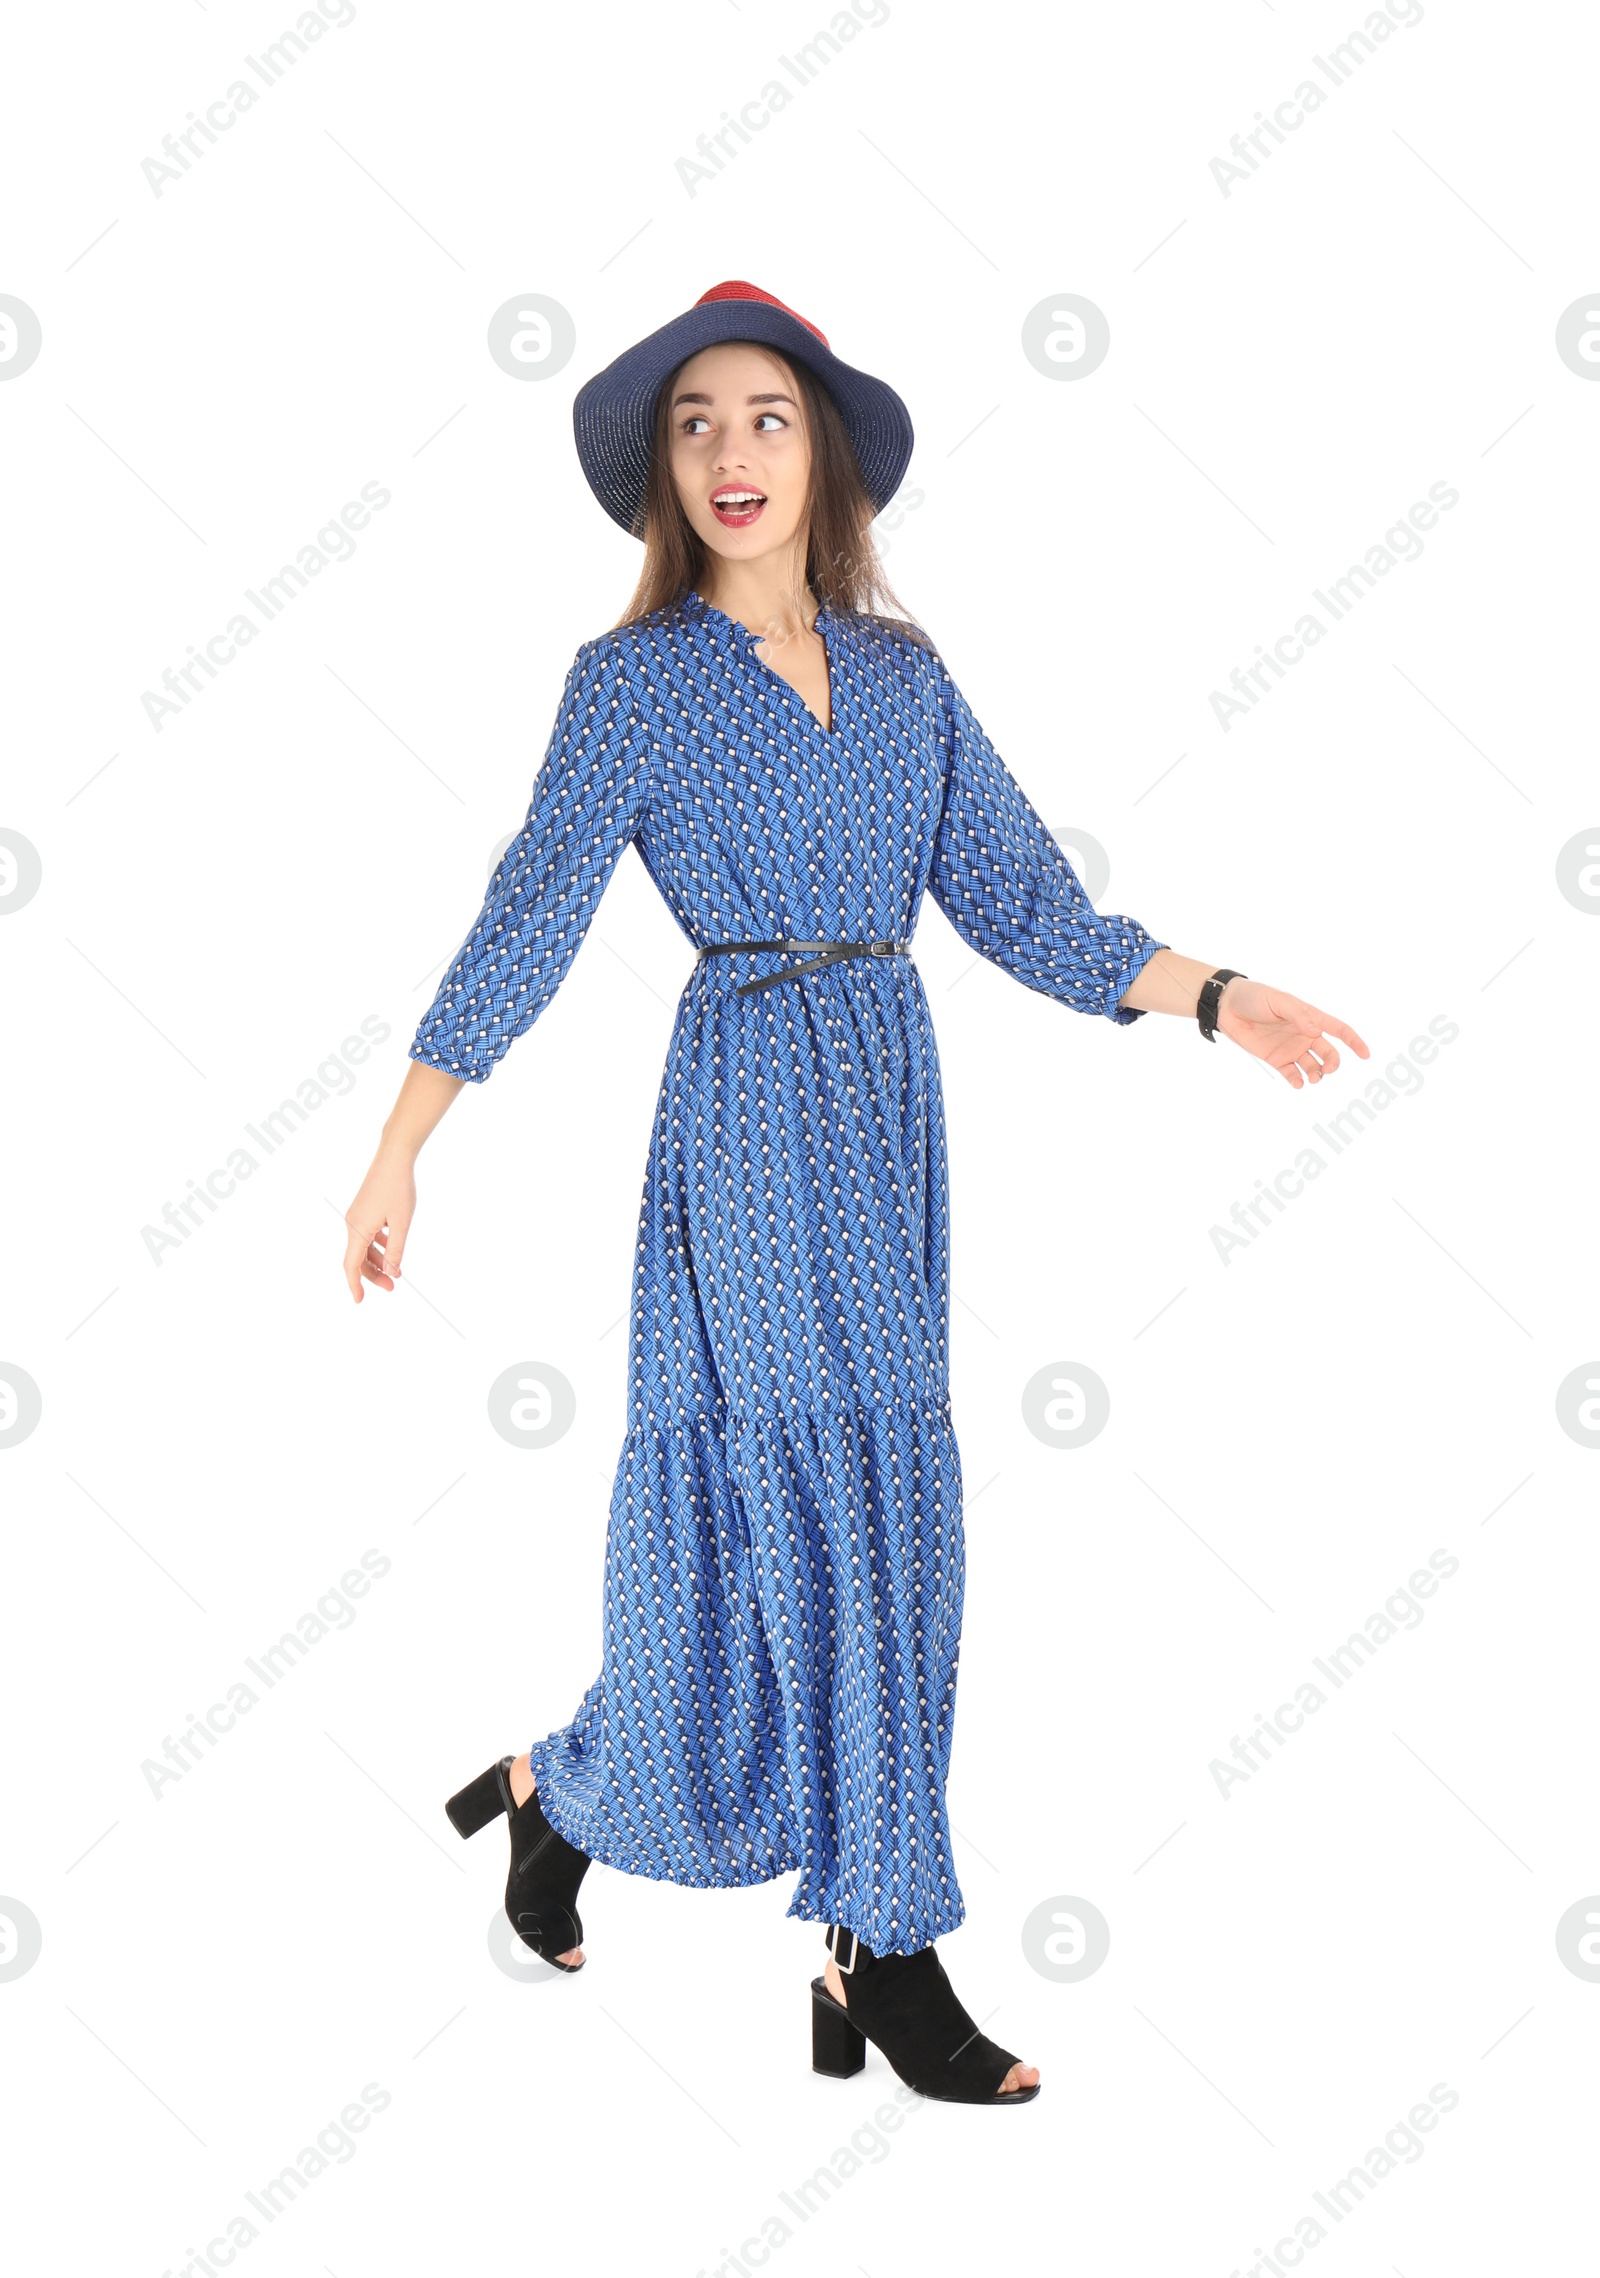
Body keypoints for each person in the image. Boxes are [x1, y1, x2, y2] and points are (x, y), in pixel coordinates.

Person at [342, 280, 1368, 2107]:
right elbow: (534, 910)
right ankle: (885, 1940)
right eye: (695, 424)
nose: (733, 454)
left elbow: (1033, 909)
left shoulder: (907, 678)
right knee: (834, 1502)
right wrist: (405, 1140)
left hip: (887, 1113)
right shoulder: (632, 682)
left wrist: (1218, 995)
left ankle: (560, 1797)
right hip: (739, 1104)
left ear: (825, 451)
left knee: (837, 1512)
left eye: (766, 417)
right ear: (663, 469)